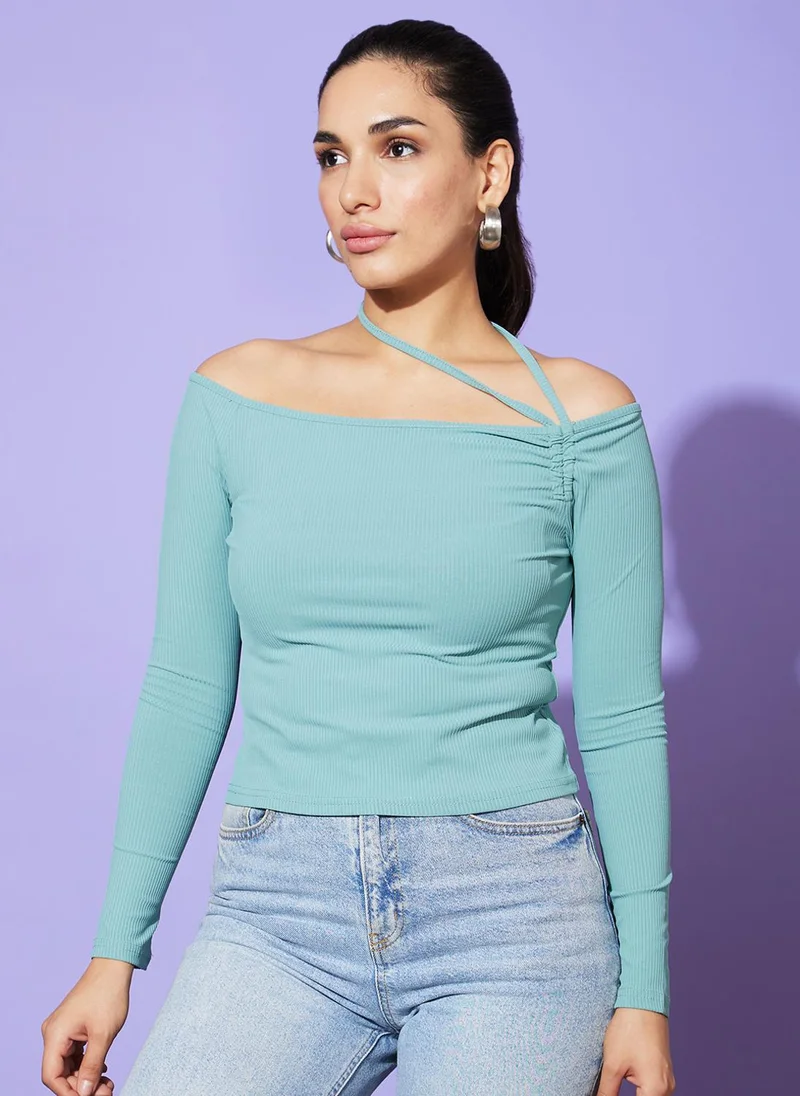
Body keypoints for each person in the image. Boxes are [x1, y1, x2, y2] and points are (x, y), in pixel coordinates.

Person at [41, 18, 676, 1096]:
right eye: (331, 156)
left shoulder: (579, 419)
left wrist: (644, 993)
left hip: (514, 922)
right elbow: (187, 681)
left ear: (490, 174)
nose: (354, 191)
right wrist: (116, 951)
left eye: (397, 147)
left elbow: (621, 715)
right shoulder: (237, 395)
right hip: (277, 910)